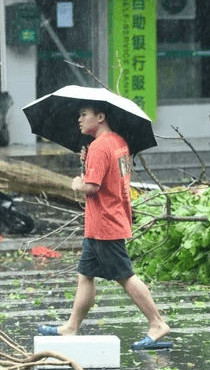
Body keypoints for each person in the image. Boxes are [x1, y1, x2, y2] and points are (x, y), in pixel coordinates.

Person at [37, 104, 172, 350]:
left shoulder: (99, 147)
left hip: (105, 223)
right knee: (85, 275)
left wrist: (78, 183)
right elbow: (108, 176)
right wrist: (88, 163)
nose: (79, 119)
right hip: (108, 218)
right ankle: (71, 327)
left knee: (125, 276)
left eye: (83, 114)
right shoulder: (117, 141)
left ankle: (157, 322)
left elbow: (93, 186)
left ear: (100, 117)